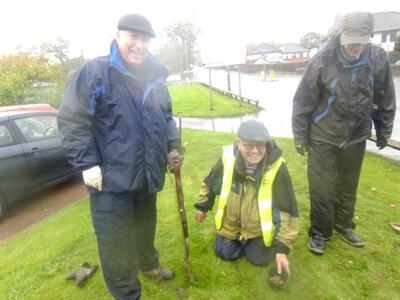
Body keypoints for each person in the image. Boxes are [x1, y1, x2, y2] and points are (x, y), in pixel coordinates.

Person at [58, 13, 183, 300]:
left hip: (147, 175)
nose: (139, 45)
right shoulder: (96, 73)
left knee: (144, 227)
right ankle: (128, 294)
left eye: (145, 39)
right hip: (110, 181)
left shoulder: (156, 78)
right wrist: (87, 162)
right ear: (118, 37)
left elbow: (166, 119)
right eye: (133, 37)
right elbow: (72, 120)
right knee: (116, 243)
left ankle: (149, 265)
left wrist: (173, 147)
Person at [292, 12, 396, 255]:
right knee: (322, 188)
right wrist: (299, 134)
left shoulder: (378, 58)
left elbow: (385, 96)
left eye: (360, 42)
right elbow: (303, 101)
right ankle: (319, 233)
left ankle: (343, 225)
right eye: (350, 42)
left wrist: (384, 129)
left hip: (356, 135)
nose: (355, 48)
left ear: (368, 38)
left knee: (348, 186)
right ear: (341, 37)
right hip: (323, 135)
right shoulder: (322, 60)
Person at [194, 119, 299, 278]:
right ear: (238, 143)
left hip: (257, 230)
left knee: (261, 259)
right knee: (224, 253)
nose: (255, 151)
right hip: (231, 225)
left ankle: (250, 242)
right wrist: (202, 207)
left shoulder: (278, 166)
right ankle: (237, 239)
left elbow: (287, 209)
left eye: (260, 145)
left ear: (266, 144)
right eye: (249, 145)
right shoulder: (227, 157)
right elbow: (211, 182)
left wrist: (282, 248)